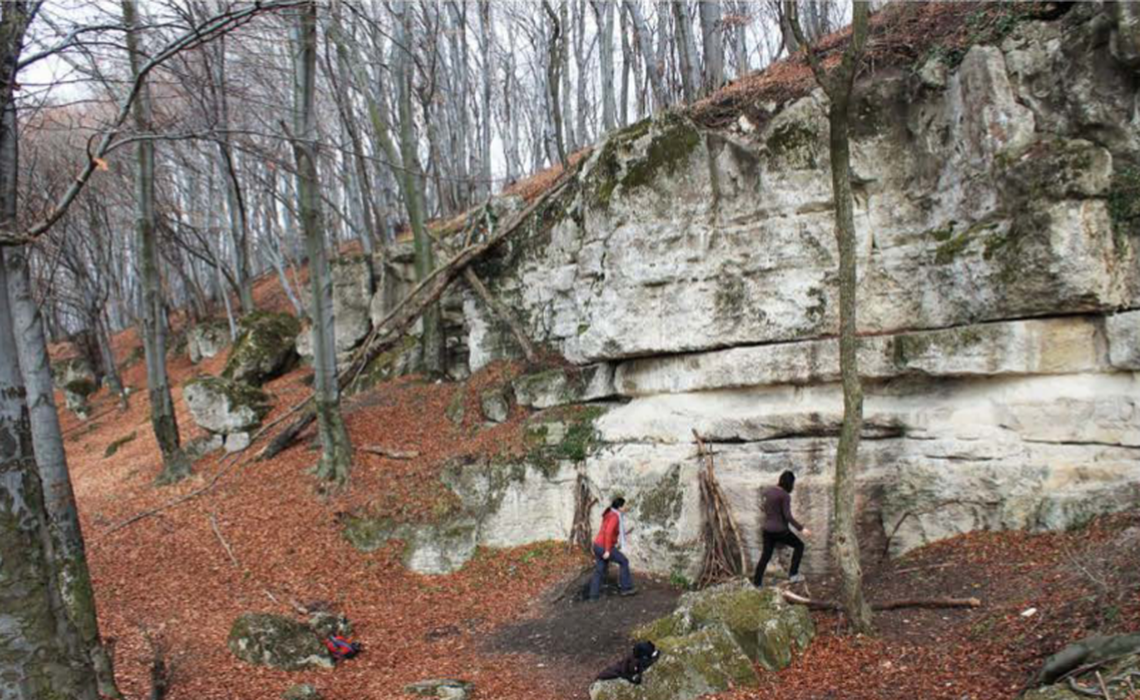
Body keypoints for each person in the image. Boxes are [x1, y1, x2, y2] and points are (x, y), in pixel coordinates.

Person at [753, 470, 812, 587]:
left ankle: (757, 583)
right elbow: (788, 516)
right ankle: (793, 575)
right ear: (790, 483)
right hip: (780, 531)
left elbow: (763, 507)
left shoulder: (768, 491)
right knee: (799, 546)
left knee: (765, 556)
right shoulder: (785, 496)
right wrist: (802, 529)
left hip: (767, 530)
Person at [589, 497, 636, 599]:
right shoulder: (615, 517)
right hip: (604, 547)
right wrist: (607, 550)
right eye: (624, 505)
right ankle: (626, 588)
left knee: (600, 569)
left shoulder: (610, 513)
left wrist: (624, 533)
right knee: (624, 561)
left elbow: (609, 530)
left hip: (597, 545)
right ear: (619, 507)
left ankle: (593, 594)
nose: (626, 507)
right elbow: (608, 532)